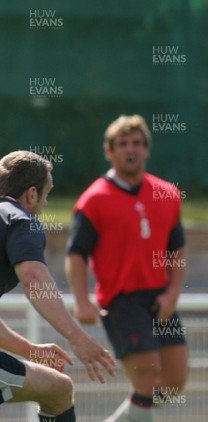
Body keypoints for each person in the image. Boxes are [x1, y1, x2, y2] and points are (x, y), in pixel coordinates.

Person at [65, 114, 188, 422]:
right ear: (109, 151)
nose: (129, 149)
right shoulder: (94, 199)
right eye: (121, 144)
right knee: (146, 379)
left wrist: (173, 292)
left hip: (160, 298)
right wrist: (81, 300)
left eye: (136, 143)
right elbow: (76, 254)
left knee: (173, 381)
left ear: (147, 149)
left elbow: (177, 249)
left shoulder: (167, 194)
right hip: (122, 301)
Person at [0, 150, 116, 422]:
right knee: (58, 389)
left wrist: (32, 351)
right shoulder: (20, 221)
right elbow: (33, 278)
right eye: (46, 194)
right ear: (31, 194)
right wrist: (78, 339)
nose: (44, 203)